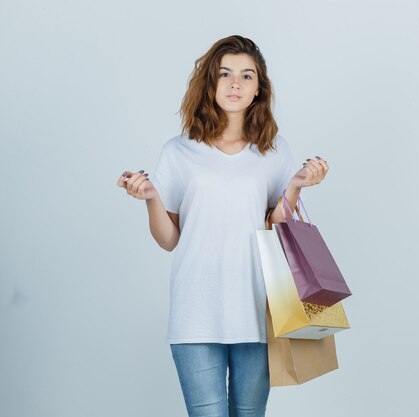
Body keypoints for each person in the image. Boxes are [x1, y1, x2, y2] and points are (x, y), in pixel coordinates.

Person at [116, 35, 329, 417]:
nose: (235, 84)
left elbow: (278, 229)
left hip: (257, 310)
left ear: (259, 87)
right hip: (195, 313)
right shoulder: (179, 150)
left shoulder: (274, 150)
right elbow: (169, 240)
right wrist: (151, 197)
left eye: (247, 76)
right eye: (225, 74)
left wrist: (294, 187)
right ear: (210, 82)